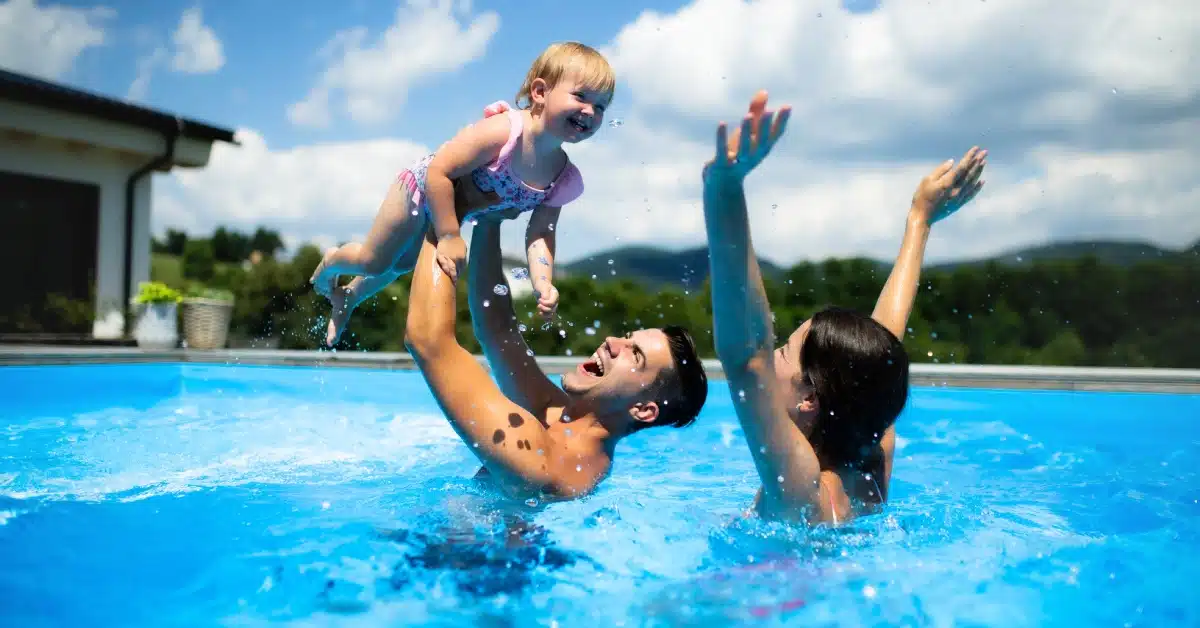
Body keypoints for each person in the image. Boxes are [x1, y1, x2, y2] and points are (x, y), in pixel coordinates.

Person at [702, 90, 986, 525]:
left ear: (810, 397)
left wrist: (723, 189)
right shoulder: (870, 460)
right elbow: (879, 349)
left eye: (781, 353)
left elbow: (746, 358)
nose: (770, 354)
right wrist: (919, 220)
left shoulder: (801, 487)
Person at [399, 184, 710, 502]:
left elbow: (427, 340)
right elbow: (498, 330)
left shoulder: (544, 462)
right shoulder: (561, 417)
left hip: (466, 552)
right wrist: (489, 219)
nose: (612, 342)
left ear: (643, 410)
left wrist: (449, 212)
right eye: (627, 338)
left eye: (635, 355)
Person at [309, 41, 615, 347]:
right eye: (581, 96)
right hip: (420, 189)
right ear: (540, 92)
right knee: (374, 261)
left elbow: (540, 233)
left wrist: (543, 281)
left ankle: (349, 297)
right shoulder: (505, 132)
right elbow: (439, 171)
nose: (590, 111)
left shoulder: (561, 175)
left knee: (401, 264)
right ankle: (331, 263)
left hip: (452, 210)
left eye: (601, 106)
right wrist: (449, 235)